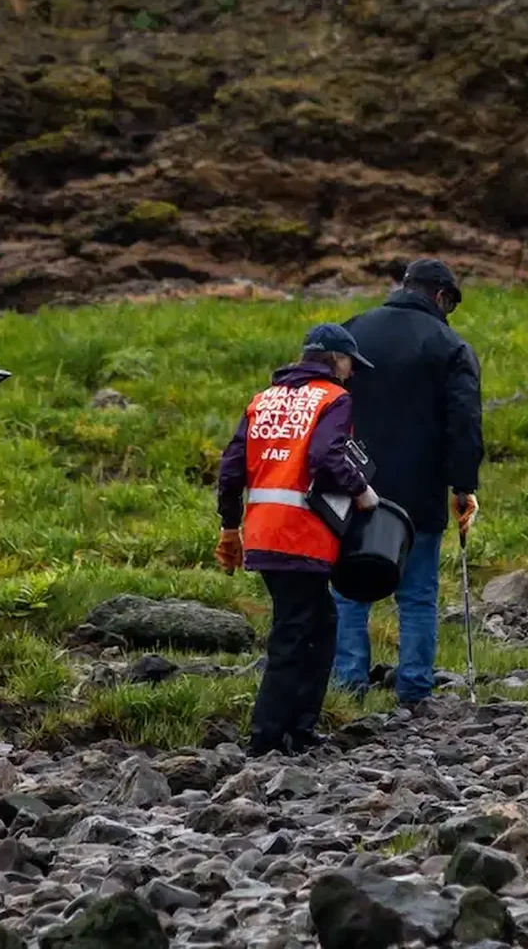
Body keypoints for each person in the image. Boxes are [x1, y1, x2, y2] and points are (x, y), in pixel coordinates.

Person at [216, 323, 380, 756]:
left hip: (264, 534)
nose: (351, 374)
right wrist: (361, 490)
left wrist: (229, 527)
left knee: (318, 623)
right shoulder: (333, 399)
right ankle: (269, 735)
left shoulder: (262, 401)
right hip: (303, 534)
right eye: (349, 364)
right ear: (335, 360)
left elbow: (231, 469)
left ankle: (298, 727)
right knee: (294, 632)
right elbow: (326, 458)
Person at [332, 258, 484, 710]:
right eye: (450, 304)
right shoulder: (449, 344)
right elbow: (464, 422)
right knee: (417, 594)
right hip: (420, 487)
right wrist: (463, 484)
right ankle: (415, 689)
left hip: (353, 481)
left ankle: (347, 684)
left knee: (347, 588)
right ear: (440, 296)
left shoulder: (353, 329)